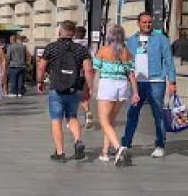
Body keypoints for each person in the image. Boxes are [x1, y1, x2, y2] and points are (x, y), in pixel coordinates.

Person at [36, 20, 94, 162]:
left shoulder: (51, 48)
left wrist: (39, 81)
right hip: (73, 88)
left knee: (56, 120)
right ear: (73, 33)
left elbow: (41, 67)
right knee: (72, 117)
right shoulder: (81, 49)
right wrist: (89, 87)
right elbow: (88, 70)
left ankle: (60, 152)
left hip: (56, 88)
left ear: (61, 31)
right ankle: (78, 140)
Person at [122, 12, 177, 159]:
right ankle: (126, 144)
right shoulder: (131, 41)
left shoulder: (161, 39)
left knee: (157, 113)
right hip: (137, 82)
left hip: (156, 81)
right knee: (132, 113)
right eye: (144, 22)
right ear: (138, 23)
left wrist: (172, 81)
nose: (147, 25)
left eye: (149, 22)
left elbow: (168, 60)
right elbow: (126, 61)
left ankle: (160, 145)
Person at [93, 25, 139, 166]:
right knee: (110, 120)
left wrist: (91, 88)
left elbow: (95, 71)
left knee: (104, 121)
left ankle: (118, 147)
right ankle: (105, 152)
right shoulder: (126, 52)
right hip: (122, 85)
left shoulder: (103, 50)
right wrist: (136, 93)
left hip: (108, 84)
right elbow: (131, 74)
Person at [73, 26, 94, 130]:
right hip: (84, 74)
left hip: (72, 74)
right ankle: (87, 113)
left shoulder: (71, 45)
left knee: (72, 96)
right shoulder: (88, 46)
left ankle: (72, 118)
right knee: (84, 96)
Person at [5, 33, 30, 98]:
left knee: (13, 79)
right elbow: (25, 56)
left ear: (11, 40)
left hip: (13, 65)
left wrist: (6, 65)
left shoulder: (10, 47)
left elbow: (8, 57)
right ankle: (20, 92)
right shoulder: (22, 46)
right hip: (21, 65)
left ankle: (14, 92)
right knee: (20, 80)